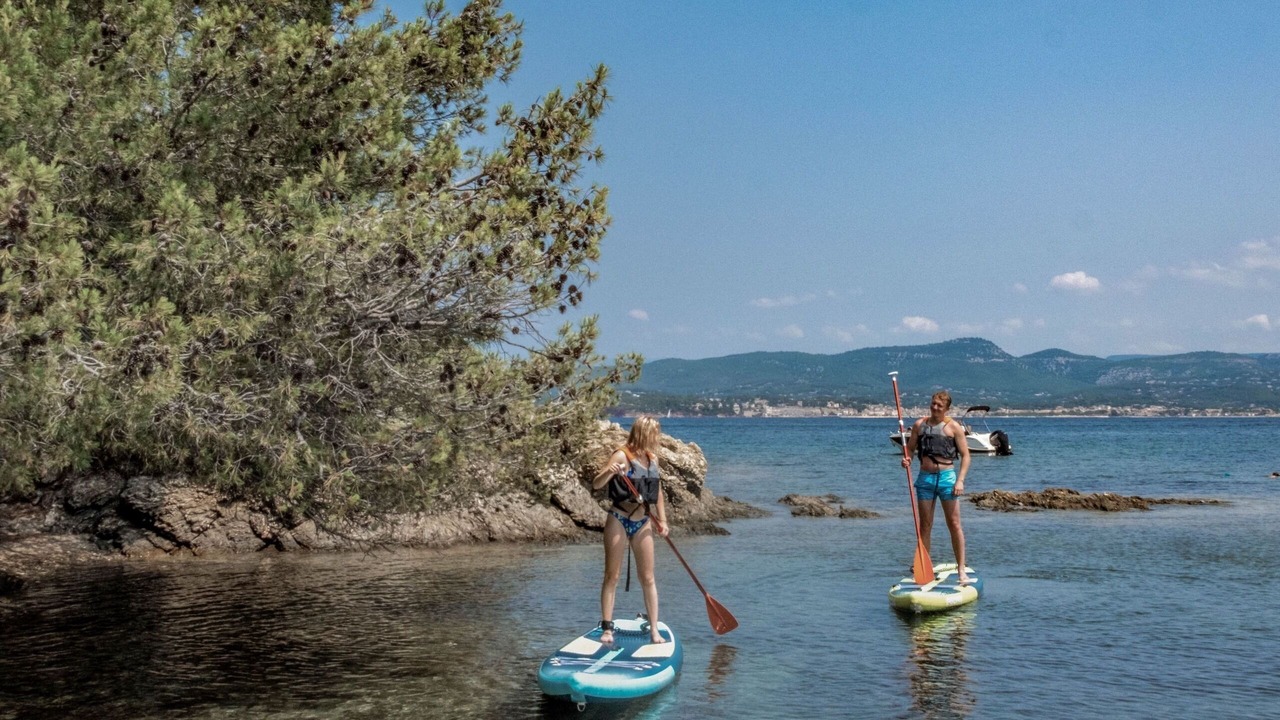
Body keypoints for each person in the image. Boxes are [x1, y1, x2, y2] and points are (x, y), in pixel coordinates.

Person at [591, 415, 669, 644]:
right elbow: (597, 483)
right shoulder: (621, 455)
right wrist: (609, 471)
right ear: (644, 433)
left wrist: (663, 521)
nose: (657, 437)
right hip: (619, 518)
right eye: (655, 433)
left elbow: (659, 492)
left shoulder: (652, 459)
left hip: (643, 520)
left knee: (648, 577)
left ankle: (654, 630)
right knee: (611, 575)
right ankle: (607, 628)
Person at [902, 390, 974, 583]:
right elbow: (909, 449)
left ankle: (961, 569)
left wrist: (960, 480)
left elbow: (966, 456)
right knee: (924, 526)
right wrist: (907, 459)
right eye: (933, 404)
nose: (935, 408)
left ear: (947, 408)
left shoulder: (954, 428)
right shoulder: (919, 425)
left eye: (939, 406)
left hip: (947, 479)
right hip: (925, 479)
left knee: (954, 524)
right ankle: (925, 567)